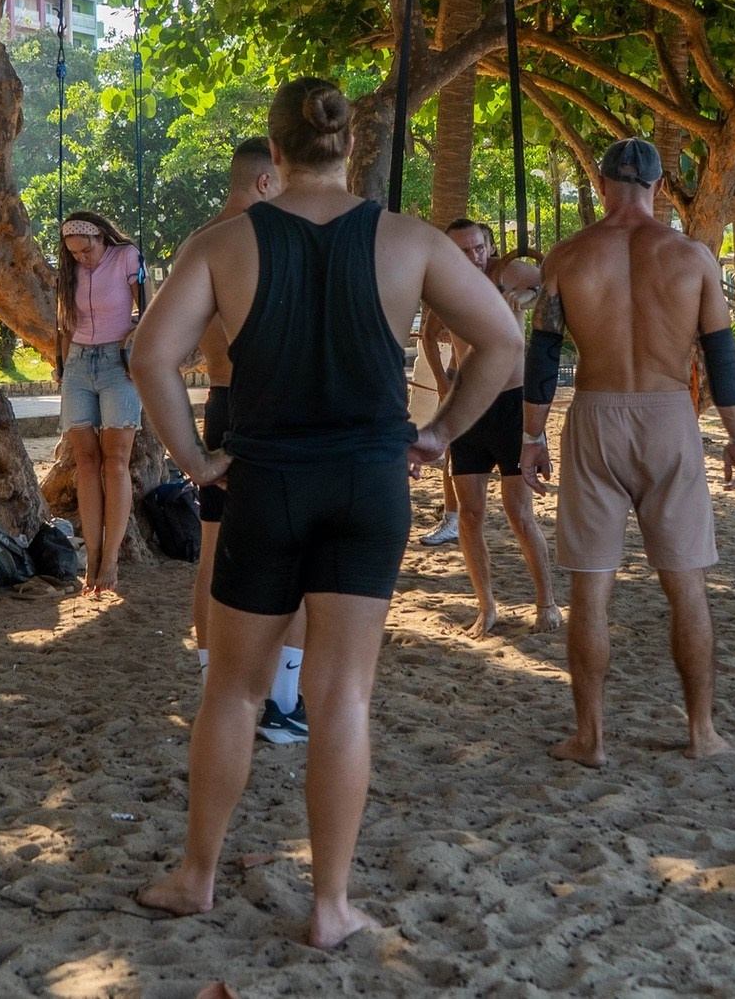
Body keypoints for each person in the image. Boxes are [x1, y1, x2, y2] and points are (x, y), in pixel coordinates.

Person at [129, 78, 523, 948]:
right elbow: (503, 338)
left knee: (234, 690)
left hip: (264, 481)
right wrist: (440, 432)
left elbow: (149, 355)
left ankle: (196, 876)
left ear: (273, 156)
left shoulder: (223, 243)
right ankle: (332, 906)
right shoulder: (409, 240)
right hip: (368, 485)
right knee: (342, 694)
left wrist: (194, 460)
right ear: (349, 149)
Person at [521, 139, 735, 765]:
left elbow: (542, 358)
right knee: (687, 586)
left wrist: (533, 436)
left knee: (591, 590)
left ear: (600, 185)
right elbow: (722, 356)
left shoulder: (567, 256)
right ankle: (702, 733)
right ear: (660, 186)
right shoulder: (693, 257)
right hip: (669, 416)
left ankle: (590, 738)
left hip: (596, 415)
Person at [187, 139, 312, 744]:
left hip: (222, 403)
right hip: (276, 411)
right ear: (266, 182)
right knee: (297, 557)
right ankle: (283, 701)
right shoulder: (276, 239)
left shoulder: (201, 243)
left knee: (214, 555)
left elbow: (162, 353)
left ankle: (214, 687)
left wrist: (191, 455)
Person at [423, 219, 559, 636]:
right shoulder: (444, 285)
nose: (473, 257)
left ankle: (547, 603)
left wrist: (530, 295)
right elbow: (428, 334)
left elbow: (554, 281)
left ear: (490, 245)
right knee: (470, 514)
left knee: (519, 514)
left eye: (478, 247)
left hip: (512, 405)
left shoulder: (509, 271)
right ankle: (487, 607)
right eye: (463, 250)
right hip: (469, 408)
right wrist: (443, 381)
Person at [56, 210, 143, 598]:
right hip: (77, 363)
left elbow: (148, 311)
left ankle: (111, 557)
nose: (82, 258)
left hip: (117, 362)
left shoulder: (126, 257)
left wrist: (137, 346)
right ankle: (91, 554)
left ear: (101, 237)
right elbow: (65, 324)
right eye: (74, 253)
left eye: (86, 251)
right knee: (86, 461)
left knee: (116, 460)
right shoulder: (70, 268)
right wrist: (62, 368)